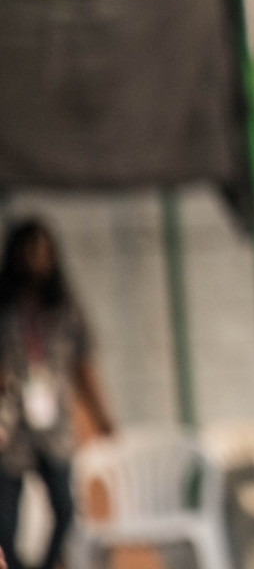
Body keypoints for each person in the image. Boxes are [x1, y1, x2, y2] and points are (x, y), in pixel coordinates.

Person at [0, 217, 115, 569]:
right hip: (12, 429)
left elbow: (85, 366)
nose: (35, 259)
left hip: (55, 428)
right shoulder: (4, 310)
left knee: (66, 508)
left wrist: (103, 417)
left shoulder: (65, 309)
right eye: (28, 250)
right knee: (5, 521)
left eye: (42, 251)